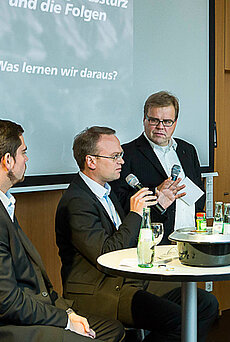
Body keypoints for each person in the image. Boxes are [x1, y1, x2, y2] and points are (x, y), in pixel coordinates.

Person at [0, 119, 123, 342]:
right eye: (23, 152)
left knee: (111, 330)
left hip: (15, 310)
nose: (27, 159)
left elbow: (31, 278)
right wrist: (65, 321)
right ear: (8, 161)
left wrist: (67, 312)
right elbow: (5, 301)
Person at [55, 126, 218, 342]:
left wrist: (159, 204)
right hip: (101, 290)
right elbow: (105, 255)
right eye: (115, 156)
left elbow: (131, 234)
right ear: (91, 161)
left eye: (121, 155)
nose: (122, 161)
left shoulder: (106, 191)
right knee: (178, 321)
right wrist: (135, 213)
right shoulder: (77, 201)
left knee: (206, 304)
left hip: (129, 280)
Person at [110, 91, 204, 244]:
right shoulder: (126, 154)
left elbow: (199, 193)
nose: (160, 127)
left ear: (175, 122)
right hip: (155, 241)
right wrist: (155, 194)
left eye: (167, 121)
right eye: (154, 120)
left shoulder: (188, 150)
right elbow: (118, 204)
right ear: (144, 120)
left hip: (191, 237)